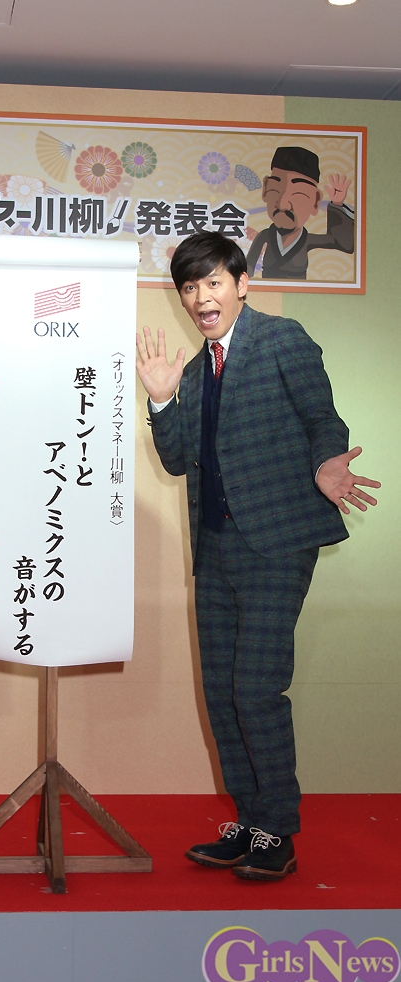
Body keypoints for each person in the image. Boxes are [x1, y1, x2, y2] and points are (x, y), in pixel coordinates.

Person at [136, 231, 379, 880]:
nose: (201, 298)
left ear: (241, 284)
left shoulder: (281, 339)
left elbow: (322, 417)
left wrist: (327, 463)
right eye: (189, 288)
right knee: (221, 693)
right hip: (213, 549)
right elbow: (176, 460)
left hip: (276, 542)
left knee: (255, 689)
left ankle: (278, 831)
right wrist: (161, 399)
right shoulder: (192, 373)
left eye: (213, 282)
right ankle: (248, 823)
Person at [246, 146, 354, 281]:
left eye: (298, 195)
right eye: (275, 190)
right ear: (266, 189)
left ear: (315, 201)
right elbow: (248, 268)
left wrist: (337, 204)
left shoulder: (307, 240)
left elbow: (342, 243)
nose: (282, 205)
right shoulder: (265, 236)